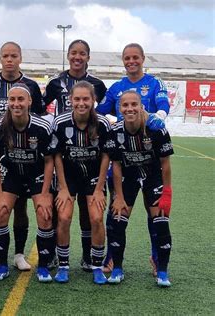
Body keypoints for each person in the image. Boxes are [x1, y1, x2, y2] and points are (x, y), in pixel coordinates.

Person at [96, 43, 170, 274]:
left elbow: (163, 104)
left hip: (149, 159)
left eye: (135, 57)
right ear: (123, 60)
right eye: (127, 58)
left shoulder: (154, 83)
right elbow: (101, 110)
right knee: (116, 213)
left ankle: (157, 258)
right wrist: (111, 118)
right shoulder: (117, 87)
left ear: (143, 58)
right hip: (124, 159)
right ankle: (112, 258)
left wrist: (159, 116)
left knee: (154, 212)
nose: (131, 61)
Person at [0, 41, 46, 271]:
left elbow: (38, 118)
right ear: (0, 59)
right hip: (0, 152)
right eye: (5, 55)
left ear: (20, 58)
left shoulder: (31, 86)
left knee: (22, 208)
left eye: (14, 55)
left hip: (26, 155)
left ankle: (19, 254)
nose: (9, 59)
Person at [43, 39, 107, 271]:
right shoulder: (55, 82)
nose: (77, 57)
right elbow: (41, 108)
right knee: (58, 207)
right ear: (68, 55)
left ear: (88, 57)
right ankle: (52, 254)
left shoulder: (97, 84)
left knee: (88, 210)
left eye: (82, 53)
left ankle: (90, 257)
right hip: (63, 151)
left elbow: (107, 109)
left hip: (89, 151)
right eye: (73, 53)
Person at [104, 90, 173, 287]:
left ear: (141, 105)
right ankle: (117, 268)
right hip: (128, 178)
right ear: (120, 109)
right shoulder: (115, 131)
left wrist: (167, 193)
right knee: (118, 218)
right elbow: (116, 165)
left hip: (153, 177)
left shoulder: (156, 129)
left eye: (134, 104)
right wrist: (117, 196)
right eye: (125, 105)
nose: (130, 108)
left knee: (160, 220)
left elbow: (166, 164)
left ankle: (162, 271)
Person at [0, 83, 54, 282]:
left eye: (20, 99)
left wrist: (44, 193)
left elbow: (50, 160)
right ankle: (1, 265)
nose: (16, 104)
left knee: (44, 214)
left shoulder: (42, 127)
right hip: (12, 174)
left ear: (30, 102)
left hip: (36, 174)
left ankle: (43, 267)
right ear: (7, 102)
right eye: (12, 100)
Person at [51, 81, 111, 284]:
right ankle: (63, 265)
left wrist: (100, 189)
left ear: (93, 100)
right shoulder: (60, 122)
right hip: (68, 178)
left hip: (94, 178)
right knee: (65, 217)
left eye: (86, 99)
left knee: (96, 218)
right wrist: (62, 188)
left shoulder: (102, 123)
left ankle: (96, 266)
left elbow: (106, 156)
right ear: (70, 100)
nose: (81, 103)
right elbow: (57, 156)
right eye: (77, 99)